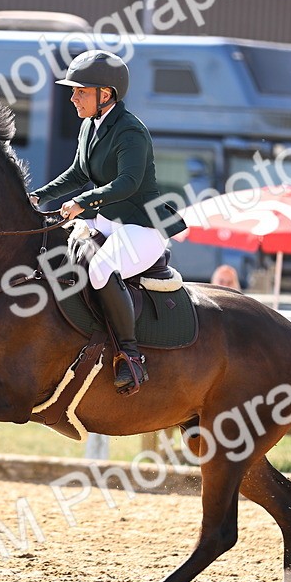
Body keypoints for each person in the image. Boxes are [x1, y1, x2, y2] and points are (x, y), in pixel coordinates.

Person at [29, 50, 187, 395]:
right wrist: (38, 196)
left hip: (141, 228)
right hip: (106, 223)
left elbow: (127, 183)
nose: (73, 98)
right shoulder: (90, 126)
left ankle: (130, 356)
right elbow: (77, 173)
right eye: (74, 91)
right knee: (57, 254)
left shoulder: (131, 131)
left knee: (101, 269)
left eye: (81, 91)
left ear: (106, 94)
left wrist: (82, 202)